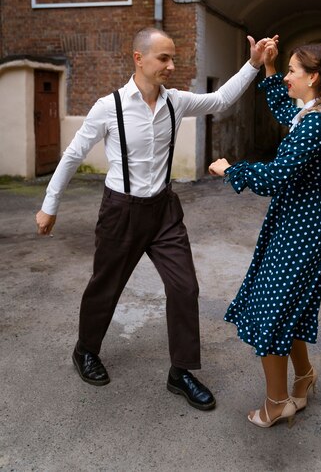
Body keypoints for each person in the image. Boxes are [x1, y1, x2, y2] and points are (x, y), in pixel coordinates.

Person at [35, 26, 271, 412]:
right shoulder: (108, 106)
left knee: (185, 288)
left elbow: (219, 99)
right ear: (138, 59)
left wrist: (253, 64)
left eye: (172, 58)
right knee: (105, 287)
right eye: (164, 58)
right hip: (120, 212)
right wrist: (50, 205)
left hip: (164, 211)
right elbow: (74, 155)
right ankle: (86, 350)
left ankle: (181, 371)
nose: (171, 66)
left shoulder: (175, 102)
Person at [209, 39, 321, 427]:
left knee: (271, 313)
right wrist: (271, 68)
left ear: (313, 77)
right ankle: (304, 378)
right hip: (298, 223)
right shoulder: (311, 113)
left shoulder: (315, 124)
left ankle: (277, 403)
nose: (288, 76)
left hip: (303, 230)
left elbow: (275, 176)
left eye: (293, 70)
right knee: (284, 308)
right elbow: (280, 107)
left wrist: (231, 170)